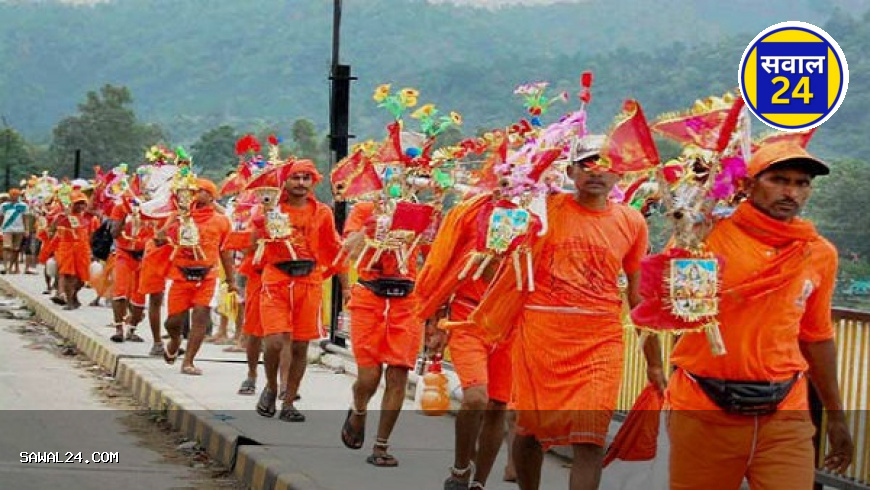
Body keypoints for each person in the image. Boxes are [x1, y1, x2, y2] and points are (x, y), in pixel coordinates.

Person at [471, 134, 663, 490]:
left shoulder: (632, 222)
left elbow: (637, 294)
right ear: (571, 171)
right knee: (529, 432)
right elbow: (497, 263)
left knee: (590, 440)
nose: (596, 172)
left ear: (619, 175)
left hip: (600, 341)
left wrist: (652, 360)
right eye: (587, 163)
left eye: (606, 165)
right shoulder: (542, 212)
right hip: (542, 335)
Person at [665, 142, 854, 490]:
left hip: (785, 412)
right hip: (704, 407)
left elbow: (817, 337)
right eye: (779, 179)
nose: (791, 192)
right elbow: (674, 312)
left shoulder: (819, 253)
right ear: (748, 185)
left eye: (802, 183)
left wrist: (837, 417)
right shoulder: (704, 239)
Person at [417, 193, 515, 490]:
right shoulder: (472, 211)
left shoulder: (545, 215)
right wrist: (436, 316)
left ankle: (479, 482)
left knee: (498, 405)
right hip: (467, 315)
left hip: (512, 320)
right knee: (476, 398)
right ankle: (460, 469)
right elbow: (447, 263)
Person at [339, 200, 427, 468]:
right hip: (369, 298)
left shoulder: (419, 211)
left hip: (407, 301)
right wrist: (372, 227)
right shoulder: (365, 209)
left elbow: (433, 255)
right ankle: (359, 408)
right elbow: (349, 250)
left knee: (398, 374)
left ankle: (381, 445)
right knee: (368, 377)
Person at [254, 160, 342, 421]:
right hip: (277, 279)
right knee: (274, 342)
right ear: (285, 182)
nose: (301, 183)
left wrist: (344, 279)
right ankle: (271, 386)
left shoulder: (323, 213)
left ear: (313, 182)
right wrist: (265, 215)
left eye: (306, 178)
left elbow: (332, 247)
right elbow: (254, 234)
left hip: (309, 281)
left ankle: (289, 401)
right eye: (295, 178)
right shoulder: (271, 209)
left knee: (301, 347)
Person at [159, 178, 235, 375]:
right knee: (173, 322)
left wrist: (232, 280)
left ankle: (188, 361)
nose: (194, 194)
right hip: (179, 274)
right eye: (191, 191)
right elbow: (160, 239)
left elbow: (225, 252)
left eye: (199, 191)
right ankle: (175, 341)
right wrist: (170, 226)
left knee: (201, 315)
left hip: (208, 275)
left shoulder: (222, 221)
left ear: (211, 196)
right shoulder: (178, 216)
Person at [108, 199, 156, 346]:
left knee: (139, 296)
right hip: (124, 254)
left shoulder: (154, 206)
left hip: (145, 256)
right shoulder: (120, 207)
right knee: (120, 292)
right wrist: (126, 212)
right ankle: (118, 329)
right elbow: (114, 233)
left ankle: (132, 330)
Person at [50, 192, 100, 310]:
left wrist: (93, 251)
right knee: (68, 275)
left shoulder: (90, 218)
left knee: (82, 279)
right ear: (72, 204)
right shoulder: (62, 216)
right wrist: (63, 218)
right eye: (78, 203)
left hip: (83, 249)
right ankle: (69, 301)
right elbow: (52, 230)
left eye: (83, 203)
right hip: (66, 248)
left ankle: (74, 295)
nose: (81, 206)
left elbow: (92, 236)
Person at [1, 189, 29, 274]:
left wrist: (26, 229)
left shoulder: (23, 205)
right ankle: (5, 267)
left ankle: (10, 267)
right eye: (12, 195)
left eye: (16, 195)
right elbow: (1, 217)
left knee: (16, 249)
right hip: (7, 229)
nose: (14, 197)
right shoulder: (4, 205)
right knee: (7, 246)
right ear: (9, 195)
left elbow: (26, 218)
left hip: (19, 229)